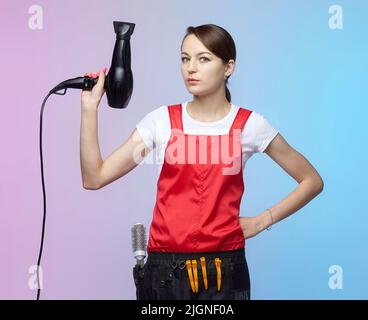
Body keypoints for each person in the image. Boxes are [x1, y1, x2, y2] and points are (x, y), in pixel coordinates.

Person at [80, 24, 324, 300]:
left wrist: (261, 221)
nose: (191, 68)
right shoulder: (160, 121)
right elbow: (94, 177)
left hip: (225, 270)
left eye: (203, 59)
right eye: (185, 59)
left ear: (228, 67)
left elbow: (312, 181)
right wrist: (89, 108)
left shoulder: (249, 125)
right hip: (165, 271)